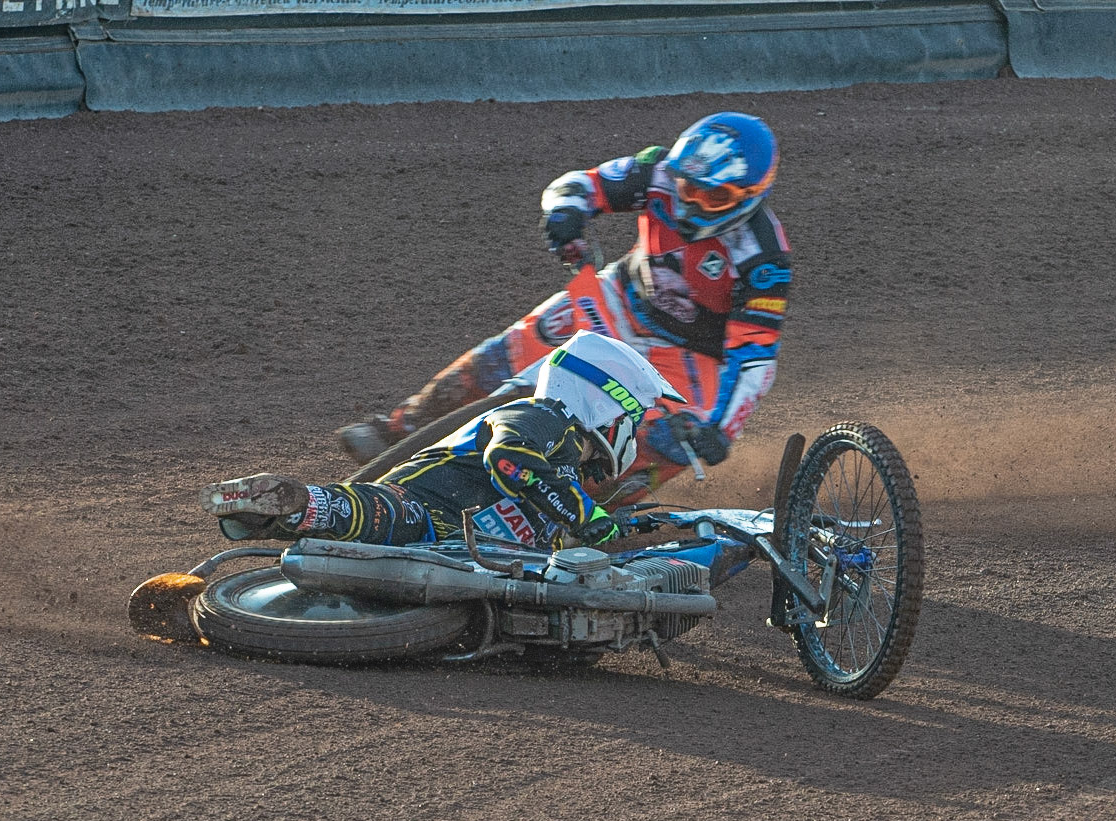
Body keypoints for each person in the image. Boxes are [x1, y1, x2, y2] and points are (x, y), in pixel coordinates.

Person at [336, 111, 792, 493]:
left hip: (691, 360)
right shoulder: (657, 173)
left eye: (714, 197)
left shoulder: (764, 259)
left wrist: (720, 428)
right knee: (502, 357)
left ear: (752, 196)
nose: (690, 204)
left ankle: (577, 517)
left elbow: (754, 357)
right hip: (618, 301)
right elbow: (579, 184)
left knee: (661, 446)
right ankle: (401, 429)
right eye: (686, 187)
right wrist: (567, 211)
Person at [201, 331, 684, 550]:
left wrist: (606, 526)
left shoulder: (562, 469)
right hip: (425, 506)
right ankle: (286, 505)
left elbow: (550, 504)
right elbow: (510, 461)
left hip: (458, 547)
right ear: (607, 403)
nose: (635, 431)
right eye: (634, 418)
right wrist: (583, 515)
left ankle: (275, 521)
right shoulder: (542, 418)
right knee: (387, 519)